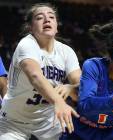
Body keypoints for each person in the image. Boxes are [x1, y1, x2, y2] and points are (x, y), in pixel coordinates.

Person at [0, 3, 81, 140]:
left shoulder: (66, 52)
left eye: (51, 17)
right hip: (14, 122)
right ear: (30, 27)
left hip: (48, 123)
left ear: (56, 26)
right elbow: (35, 76)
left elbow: (81, 84)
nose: (47, 20)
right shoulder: (26, 44)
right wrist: (59, 102)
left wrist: (71, 87)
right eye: (39, 17)